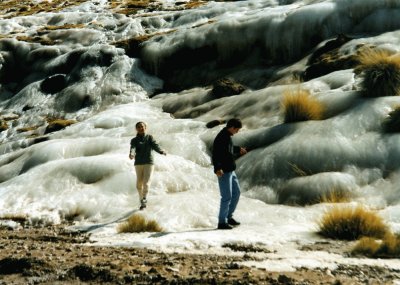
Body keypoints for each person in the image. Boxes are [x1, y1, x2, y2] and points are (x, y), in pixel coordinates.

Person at [212, 118, 247, 230]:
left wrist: (238, 149)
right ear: (232, 127)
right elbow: (216, 154)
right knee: (226, 197)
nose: (237, 132)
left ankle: (228, 216)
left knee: (236, 193)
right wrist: (217, 168)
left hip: (231, 170)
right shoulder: (221, 137)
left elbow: (228, 150)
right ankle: (222, 222)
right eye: (237, 129)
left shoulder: (227, 136)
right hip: (224, 171)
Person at [129, 122, 166, 210]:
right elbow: (133, 148)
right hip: (138, 163)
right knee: (139, 184)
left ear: (145, 127)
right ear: (136, 129)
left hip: (149, 162)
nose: (140, 128)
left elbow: (155, 145)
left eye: (142, 126)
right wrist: (132, 154)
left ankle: (144, 199)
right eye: (138, 127)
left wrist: (161, 151)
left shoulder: (149, 137)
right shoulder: (134, 140)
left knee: (146, 182)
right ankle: (141, 200)